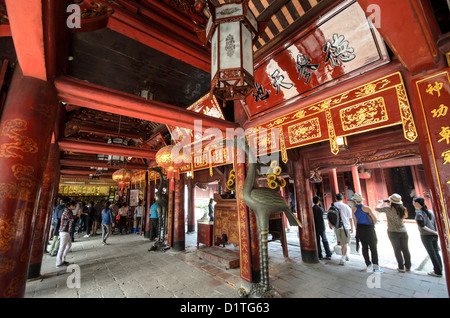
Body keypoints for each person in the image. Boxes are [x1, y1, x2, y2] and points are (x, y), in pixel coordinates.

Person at [376, 193, 411, 272]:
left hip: (392, 231)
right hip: (403, 231)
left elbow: (377, 209)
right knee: (405, 249)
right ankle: (408, 266)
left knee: (397, 249)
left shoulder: (388, 209)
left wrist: (380, 203)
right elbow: (405, 217)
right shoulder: (403, 209)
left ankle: (401, 267)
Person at [413, 197, 442, 277]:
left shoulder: (419, 213)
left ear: (417, 203)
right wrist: (435, 232)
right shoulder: (430, 211)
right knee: (436, 252)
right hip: (434, 235)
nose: (413, 204)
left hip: (426, 235)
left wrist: (433, 232)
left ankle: (437, 271)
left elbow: (422, 226)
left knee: (432, 253)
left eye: (414, 202)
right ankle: (439, 269)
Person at [352, 193, 381, 272]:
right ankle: (375, 265)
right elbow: (374, 219)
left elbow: (355, 221)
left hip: (360, 228)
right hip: (369, 228)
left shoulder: (353, 209)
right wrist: (372, 225)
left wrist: (356, 230)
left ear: (355, 201)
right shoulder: (367, 208)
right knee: (373, 247)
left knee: (364, 247)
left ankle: (368, 264)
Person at [330, 193, 354, 265]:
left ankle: (345, 255)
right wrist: (352, 228)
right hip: (345, 226)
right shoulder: (346, 206)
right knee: (345, 243)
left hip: (336, 226)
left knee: (341, 242)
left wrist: (330, 224)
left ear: (336, 198)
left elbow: (329, 215)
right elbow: (350, 218)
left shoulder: (332, 205)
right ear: (342, 198)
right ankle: (343, 258)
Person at [56, 200, 77, 267]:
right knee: (62, 247)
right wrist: (78, 215)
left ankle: (63, 259)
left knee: (69, 245)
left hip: (66, 231)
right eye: (75, 206)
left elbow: (72, 217)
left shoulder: (69, 211)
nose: (75, 207)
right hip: (64, 231)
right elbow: (72, 220)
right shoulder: (67, 212)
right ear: (71, 206)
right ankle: (58, 262)